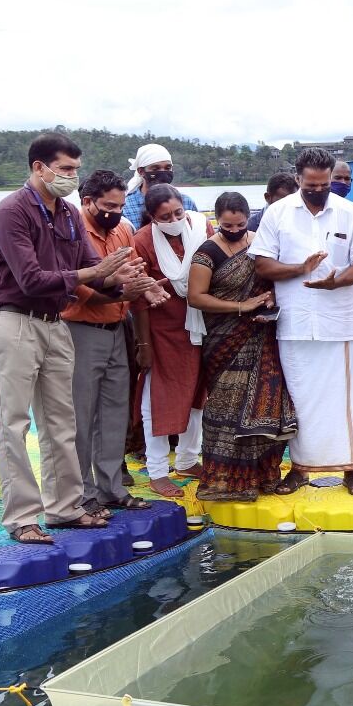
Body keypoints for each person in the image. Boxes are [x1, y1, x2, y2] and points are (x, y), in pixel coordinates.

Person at [0, 133, 144, 543]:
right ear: (40, 167)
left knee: (61, 421)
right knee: (13, 422)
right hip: (15, 320)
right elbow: (32, 279)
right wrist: (96, 273)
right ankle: (22, 517)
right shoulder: (11, 212)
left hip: (55, 322)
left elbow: (96, 271)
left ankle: (65, 507)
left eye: (75, 169)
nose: (72, 176)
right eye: (66, 169)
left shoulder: (68, 215)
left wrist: (125, 282)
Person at [250, 147, 353, 494]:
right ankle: (300, 469)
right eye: (311, 185)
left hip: (339, 322)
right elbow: (261, 263)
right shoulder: (278, 213)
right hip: (295, 324)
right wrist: (299, 269)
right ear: (298, 179)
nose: (318, 190)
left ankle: (352, 468)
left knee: (348, 398)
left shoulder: (349, 213)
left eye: (323, 184)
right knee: (300, 401)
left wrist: (335, 281)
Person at [61, 170, 167, 518]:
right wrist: (120, 293)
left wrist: (148, 286)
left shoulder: (121, 229)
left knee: (114, 412)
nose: (116, 212)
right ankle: (82, 493)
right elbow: (75, 287)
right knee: (81, 415)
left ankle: (111, 489)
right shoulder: (71, 230)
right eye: (108, 205)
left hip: (118, 328)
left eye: (121, 205)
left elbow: (134, 268)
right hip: (81, 329)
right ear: (87, 201)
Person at [187, 192, 299, 501]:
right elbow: (195, 297)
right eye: (226, 225)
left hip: (263, 335)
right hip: (225, 339)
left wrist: (270, 300)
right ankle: (225, 482)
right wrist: (241, 306)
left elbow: (272, 280)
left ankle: (263, 476)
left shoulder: (259, 242)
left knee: (269, 403)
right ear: (217, 221)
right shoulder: (207, 252)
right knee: (226, 408)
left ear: (247, 218)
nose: (234, 230)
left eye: (239, 225)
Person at [132, 184, 211, 498]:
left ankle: (188, 460)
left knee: (197, 395)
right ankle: (157, 471)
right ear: (153, 217)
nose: (175, 219)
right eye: (166, 216)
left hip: (200, 325)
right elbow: (137, 298)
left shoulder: (201, 226)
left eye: (178, 212)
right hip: (162, 332)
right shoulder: (142, 241)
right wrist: (144, 346)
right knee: (158, 399)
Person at [122, 143, 198, 229]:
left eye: (168, 168)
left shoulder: (186, 202)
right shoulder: (125, 206)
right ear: (141, 171)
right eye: (155, 169)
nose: (163, 173)